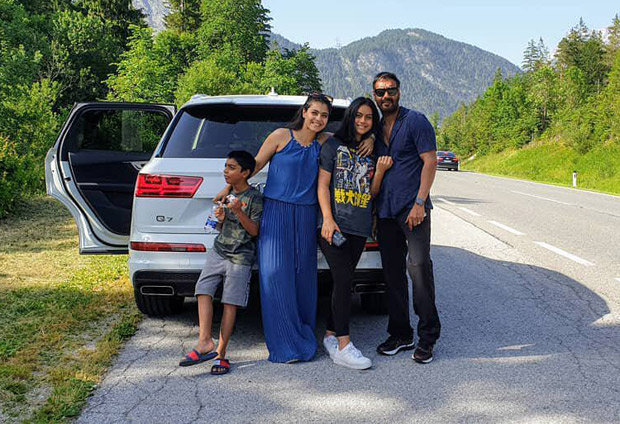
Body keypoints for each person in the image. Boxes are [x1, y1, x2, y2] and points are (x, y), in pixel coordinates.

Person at [215, 94, 374, 363]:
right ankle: (283, 345)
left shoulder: (325, 141)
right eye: (315, 113)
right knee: (276, 276)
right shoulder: (280, 136)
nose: (319, 119)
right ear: (304, 112)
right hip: (276, 214)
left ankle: (303, 339)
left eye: (324, 115)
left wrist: (368, 139)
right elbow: (253, 166)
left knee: (302, 279)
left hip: (307, 216)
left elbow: (352, 135)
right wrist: (229, 186)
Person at [317, 97, 393, 370]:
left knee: (344, 282)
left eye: (368, 118)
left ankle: (329, 334)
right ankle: (343, 345)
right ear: (350, 116)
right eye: (358, 116)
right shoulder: (333, 145)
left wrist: (381, 170)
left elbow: (370, 192)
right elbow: (323, 184)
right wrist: (327, 218)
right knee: (344, 277)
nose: (363, 121)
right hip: (334, 225)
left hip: (359, 225)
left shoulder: (371, 149)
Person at [372, 72, 441, 364]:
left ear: (399, 92)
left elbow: (430, 161)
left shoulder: (416, 121)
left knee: (419, 269)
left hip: (412, 211)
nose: (386, 96)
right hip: (385, 212)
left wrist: (419, 202)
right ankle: (400, 333)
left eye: (391, 91)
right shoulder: (373, 129)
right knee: (392, 276)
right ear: (374, 95)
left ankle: (428, 337)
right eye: (380, 92)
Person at [179, 150, 263, 375]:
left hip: (240, 256)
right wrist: (221, 219)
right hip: (219, 250)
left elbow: (254, 231)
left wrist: (238, 212)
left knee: (230, 302)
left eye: (232, 168)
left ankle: (221, 354)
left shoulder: (254, 198)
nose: (226, 172)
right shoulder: (225, 195)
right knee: (203, 290)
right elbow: (219, 226)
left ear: (245, 173)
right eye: (225, 167)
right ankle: (204, 340)